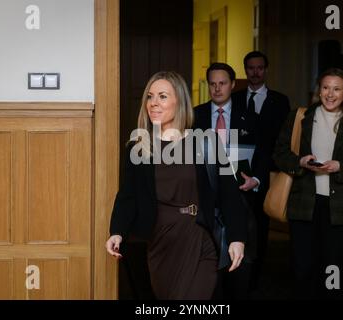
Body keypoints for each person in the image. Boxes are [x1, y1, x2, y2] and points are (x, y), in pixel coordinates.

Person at [106, 71, 248, 300]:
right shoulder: (138, 146)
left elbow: (229, 195)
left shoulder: (206, 143)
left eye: (162, 96)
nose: (154, 103)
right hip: (159, 242)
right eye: (150, 97)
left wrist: (237, 238)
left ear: (179, 101)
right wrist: (117, 231)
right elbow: (128, 195)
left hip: (198, 236)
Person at [273, 68, 343, 299]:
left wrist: (340, 167)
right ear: (319, 91)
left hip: (341, 210)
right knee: (303, 268)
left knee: (334, 268)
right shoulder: (300, 117)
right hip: (304, 205)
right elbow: (279, 153)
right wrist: (299, 161)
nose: (330, 94)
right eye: (326, 87)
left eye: (337, 89)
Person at [193, 62, 257, 299]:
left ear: (232, 85)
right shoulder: (195, 115)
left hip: (242, 192)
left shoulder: (250, 117)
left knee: (241, 257)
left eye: (222, 83)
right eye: (212, 84)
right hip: (207, 196)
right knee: (210, 257)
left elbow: (263, 154)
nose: (217, 88)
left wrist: (257, 180)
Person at [231, 51, 290, 289]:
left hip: (267, 170)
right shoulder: (234, 98)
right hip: (239, 168)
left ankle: (257, 273)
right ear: (245, 70)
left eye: (259, 68)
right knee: (237, 219)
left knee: (261, 222)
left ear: (266, 69)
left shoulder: (280, 100)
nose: (255, 72)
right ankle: (236, 267)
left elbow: (283, 138)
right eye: (250, 68)